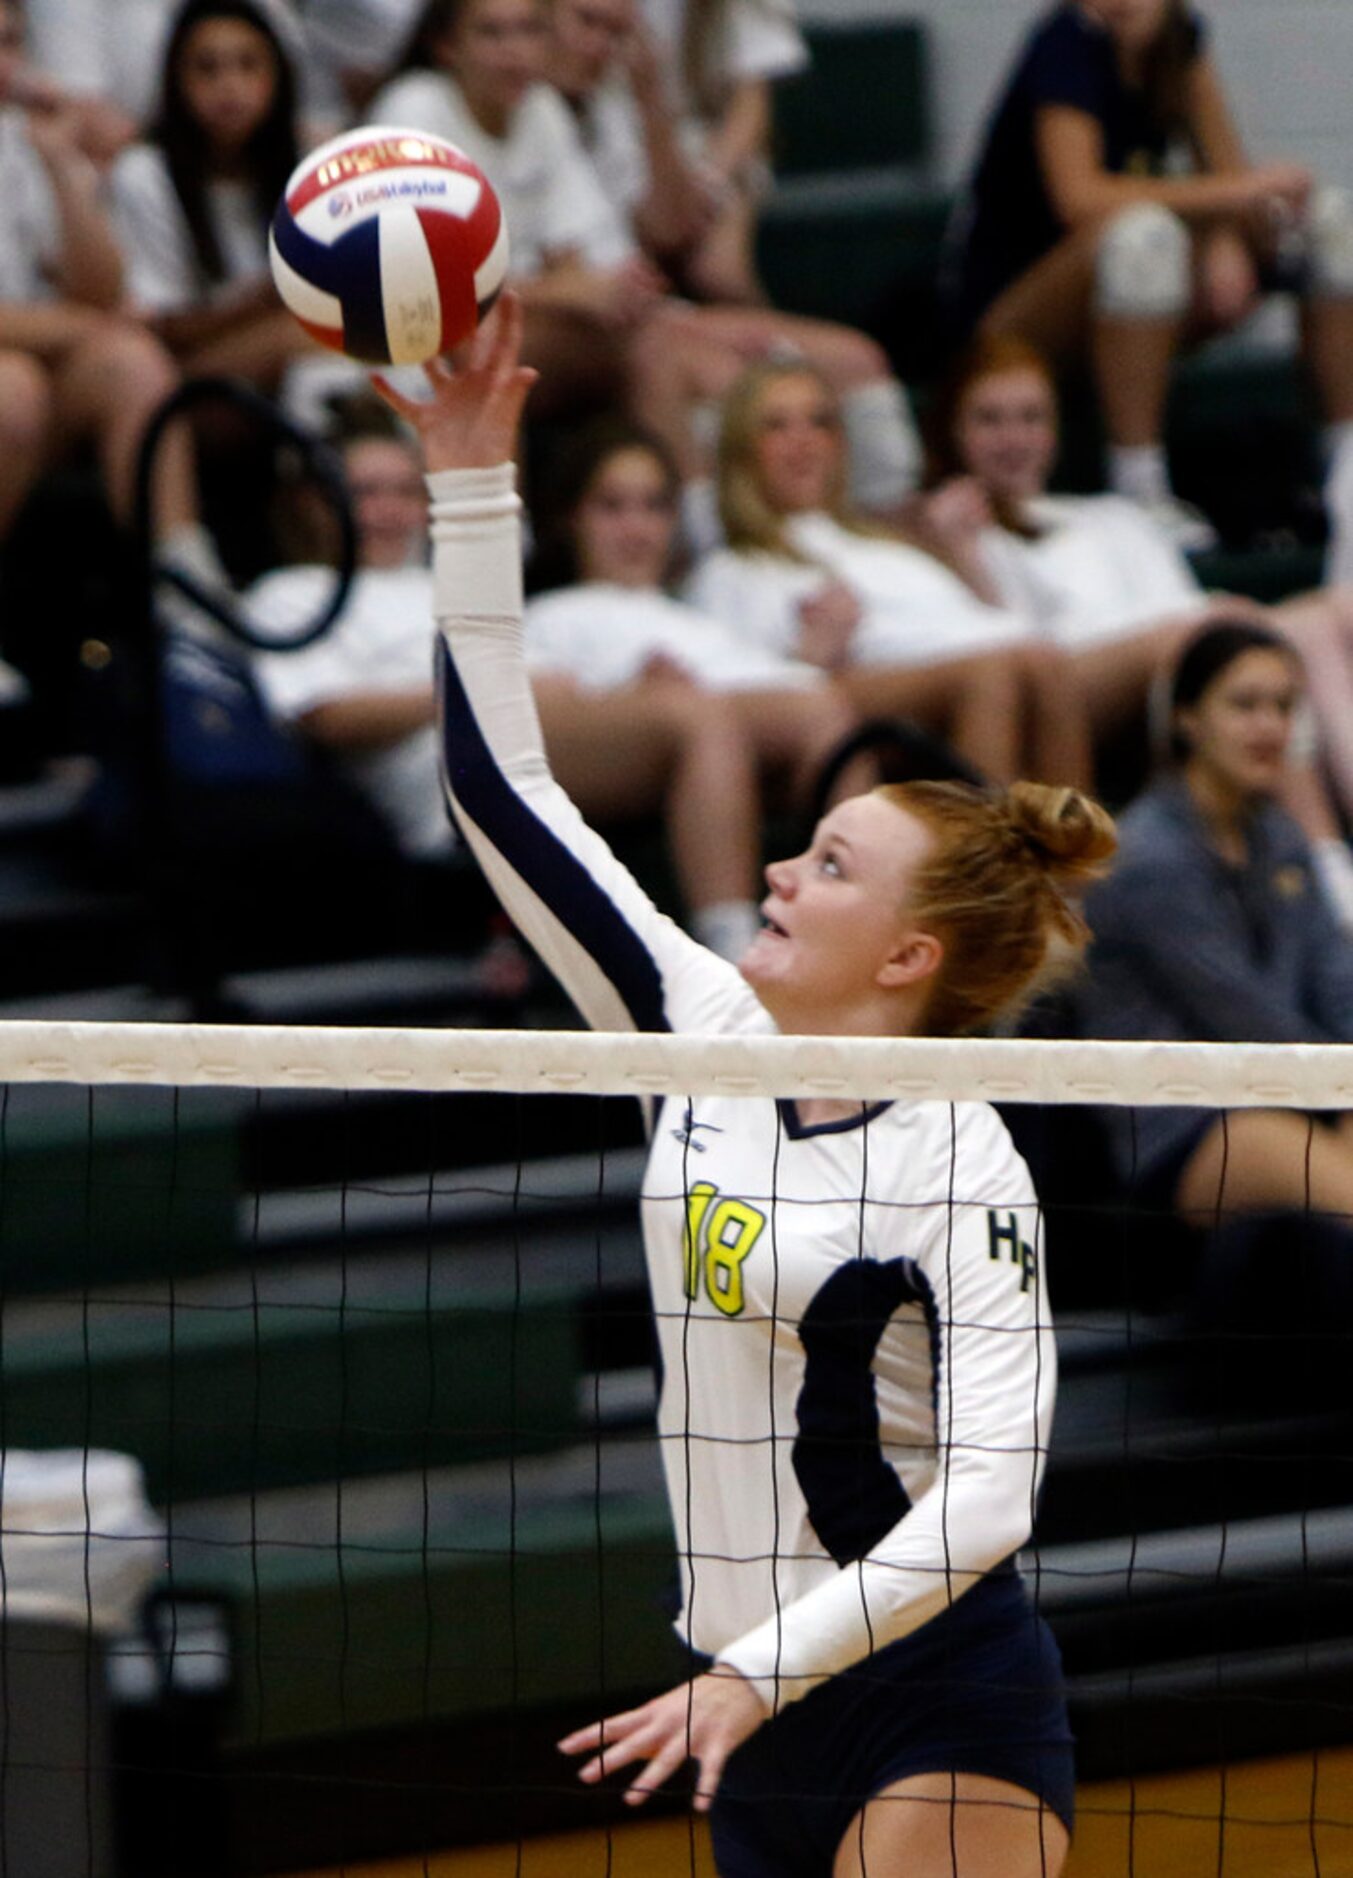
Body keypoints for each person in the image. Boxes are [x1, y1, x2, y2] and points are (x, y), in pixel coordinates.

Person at [374, 289, 1117, 1877]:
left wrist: (757, 1673)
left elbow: (988, 1497)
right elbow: (502, 798)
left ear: (909, 957)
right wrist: (466, 482)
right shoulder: (696, 1026)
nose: (778, 866)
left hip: (922, 1689)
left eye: (830, 863)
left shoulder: (963, 1162)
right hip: (744, 1694)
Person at [249, 402, 804, 958]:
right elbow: (325, 714)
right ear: (315, 502)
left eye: (404, 492)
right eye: (365, 492)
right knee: (694, 717)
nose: (386, 511)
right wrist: (474, 690)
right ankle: (734, 951)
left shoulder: (445, 581)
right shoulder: (292, 592)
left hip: (542, 726)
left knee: (746, 708)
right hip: (458, 771)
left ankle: (838, 938)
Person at [371, 0, 919, 534]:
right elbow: (419, 286)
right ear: (445, 44)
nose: (515, 53)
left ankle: (885, 537)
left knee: (852, 358)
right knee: (629, 353)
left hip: (564, 323)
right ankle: (695, 550)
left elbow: (594, 259)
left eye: (526, 32)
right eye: (493, 34)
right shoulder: (413, 110)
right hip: (433, 336)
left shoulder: (540, 112)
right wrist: (574, 290)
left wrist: (614, 290)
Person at [925, 332, 1353, 920]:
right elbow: (1008, 653)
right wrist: (963, 558)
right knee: (1220, 634)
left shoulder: (1113, 516)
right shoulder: (954, 533)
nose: (1013, 439)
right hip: (1071, 683)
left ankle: (1321, 853)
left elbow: (1191, 617)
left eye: (1030, 418)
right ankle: (1316, 867)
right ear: (953, 431)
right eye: (990, 420)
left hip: (1168, 668)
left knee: (1280, 628)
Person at [943, 0, 1353, 547]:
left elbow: (1228, 172)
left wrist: (1226, 237)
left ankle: (1343, 463)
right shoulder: (1065, 44)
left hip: (1139, 301)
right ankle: (1140, 483)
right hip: (1020, 309)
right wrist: (1230, 202)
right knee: (1141, 238)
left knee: (1327, 221)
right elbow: (1080, 197)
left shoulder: (1180, 41)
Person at [686, 359, 1094, 788]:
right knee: (991, 673)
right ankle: (986, 852)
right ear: (741, 450)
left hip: (974, 660)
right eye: (777, 426)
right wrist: (812, 653)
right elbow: (751, 700)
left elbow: (979, 619)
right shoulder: (732, 568)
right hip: (857, 686)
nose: (803, 441)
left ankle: (1077, 848)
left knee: (1045, 660)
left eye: (819, 423)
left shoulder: (880, 542)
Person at [1078, 619, 1353, 1231]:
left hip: (1301, 1090)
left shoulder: (1280, 834)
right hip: (1184, 1128)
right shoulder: (1147, 859)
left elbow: (1336, 979)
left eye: (1283, 707)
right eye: (1244, 705)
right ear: (1187, 718)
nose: (1269, 726)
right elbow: (1243, 1018)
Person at [525, 417, 863, 826]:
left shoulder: (698, 618)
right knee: (703, 718)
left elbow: (767, 680)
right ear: (571, 518)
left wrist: (813, 654)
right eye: (611, 507)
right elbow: (535, 716)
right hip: (628, 750)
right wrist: (632, 701)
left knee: (824, 707)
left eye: (654, 506)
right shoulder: (548, 616)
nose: (636, 529)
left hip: (745, 737)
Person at [108, 0, 317, 393]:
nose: (230, 85)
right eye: (207, 68)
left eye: (248, 65)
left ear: (279, 77)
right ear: (175, 79)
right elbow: (157, 328)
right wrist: (264, 299)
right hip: (175, 377)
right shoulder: (143, 173)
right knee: (307, 336)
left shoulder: (308, 171)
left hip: (277, 361)